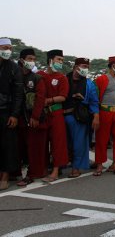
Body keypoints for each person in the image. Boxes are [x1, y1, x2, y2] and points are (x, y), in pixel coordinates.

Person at [16, 48, 48, 186]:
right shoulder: (14, 74)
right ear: (22, 60)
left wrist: (35, 117)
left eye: (34, 59)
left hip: (32, 119)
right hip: (16, 118)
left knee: (33, 148)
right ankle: (14, 173)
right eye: (29, 58)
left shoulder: (37, 78)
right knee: (17, 148)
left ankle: (31, 174)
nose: (32, 61)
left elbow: (40, 99)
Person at [37, 49, 69, 182]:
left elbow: (63, 97)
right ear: (50, 60)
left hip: (56, 113)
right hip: (42, 114)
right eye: (58, 59)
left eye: (62, 60)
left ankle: (56, 171)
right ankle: (42, 169)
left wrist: (48, 101)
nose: (61, 62)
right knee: (42, 141)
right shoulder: (39, 75)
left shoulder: (62, 78)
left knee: (57, 142)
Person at [64, 58, 99, 178]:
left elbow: (94, 102)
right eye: (83, 66)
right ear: (75, 67)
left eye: (87, 67)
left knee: (79, 144)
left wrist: (96, 116)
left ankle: (76, 167)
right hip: (62, 116)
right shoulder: (64, 79)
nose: (86, 69)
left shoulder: (89, 83)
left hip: (80, 117)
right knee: (63, 143)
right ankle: (62, 164)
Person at [0, 38, 23, 190]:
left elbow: (18, 94)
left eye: (10, 48)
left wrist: (14, 114)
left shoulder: (14, 67)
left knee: (7, 145)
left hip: (7, 112)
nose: (7, 50)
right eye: (4, 47)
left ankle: (5, 176)